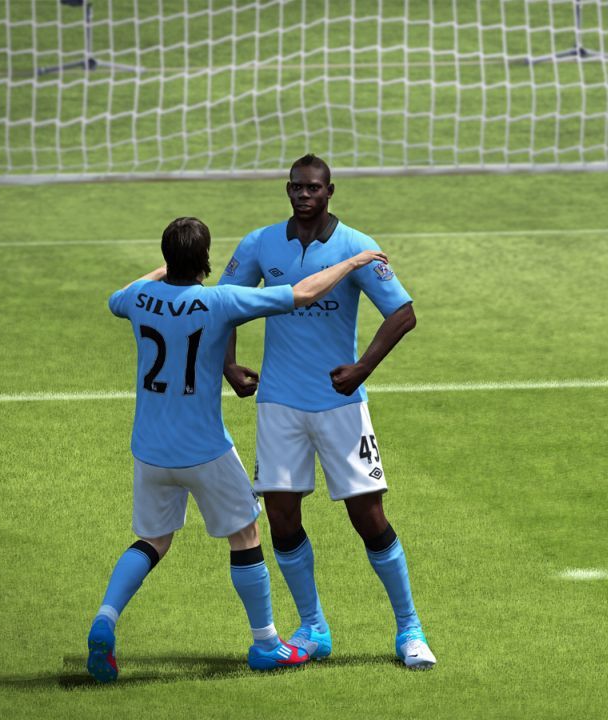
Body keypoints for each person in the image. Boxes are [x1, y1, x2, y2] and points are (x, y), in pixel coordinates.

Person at [87, 216, 387, 682]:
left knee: (153, 541)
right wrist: (352, 261)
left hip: (148, 450)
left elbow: (116, 297)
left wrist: (162, 270)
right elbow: (302, 294)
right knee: (246, 535)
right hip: (205, 450)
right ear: (206, 260)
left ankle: (105, 619)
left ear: (167, 257)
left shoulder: (138, 299)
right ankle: (266, 644)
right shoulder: (219, 301)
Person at [219, 154, 435, 669]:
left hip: (340, 406)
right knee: (281, 517)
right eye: (297, 187)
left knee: (369, 517)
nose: (304, 195)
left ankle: (410, 629)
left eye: (313, 188)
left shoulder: (356, 246)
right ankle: (313, 627)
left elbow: (403, 313)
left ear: (330, 191)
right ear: (287, 189)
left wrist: (362, 368)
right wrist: (227, 364)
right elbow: (223, 303)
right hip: (278, 403)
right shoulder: (260, 244)